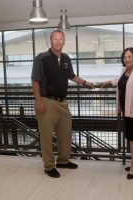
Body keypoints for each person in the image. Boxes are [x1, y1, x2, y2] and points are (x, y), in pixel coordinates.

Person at [31, 30, 94, 178]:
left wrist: (85, 83)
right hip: (46, 101)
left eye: (60, 39)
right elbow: (35, 80)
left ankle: (63, 161)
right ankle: (49, 166)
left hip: (63, 102)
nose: (58, 42)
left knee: (65, 133)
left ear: (64, 41)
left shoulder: (66, 58)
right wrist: (38, 101)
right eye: (55, 39)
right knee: (46, 136)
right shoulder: (42, 58)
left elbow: (71, 76)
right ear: (50, 41)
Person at [100, 47, 133, 180]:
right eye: (125, 57)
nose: (127, 59)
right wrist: (109, 82)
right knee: (132, 137)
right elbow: (122, 81)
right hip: (127, 110)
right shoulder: (124, 70)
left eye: (130, 56)